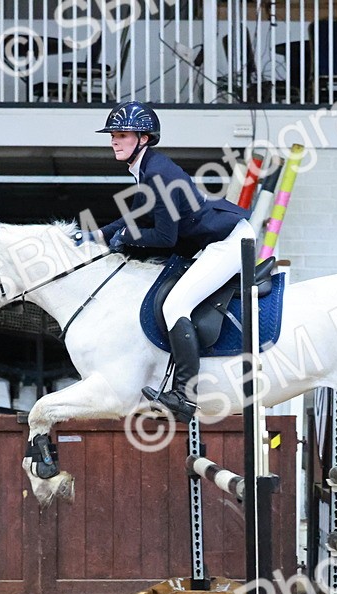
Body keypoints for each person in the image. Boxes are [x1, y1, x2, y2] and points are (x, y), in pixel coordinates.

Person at [94, 100, 254, 423]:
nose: (114, 141)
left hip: (227, 243)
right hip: (209, 240)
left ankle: (184, 395)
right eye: (113, 135)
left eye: (122, 135)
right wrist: (98, 234)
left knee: (175, 304)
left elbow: (164, 238)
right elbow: (137, 217)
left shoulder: (157, 174)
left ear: (143, 138)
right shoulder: (148, 168)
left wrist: (124, 237)